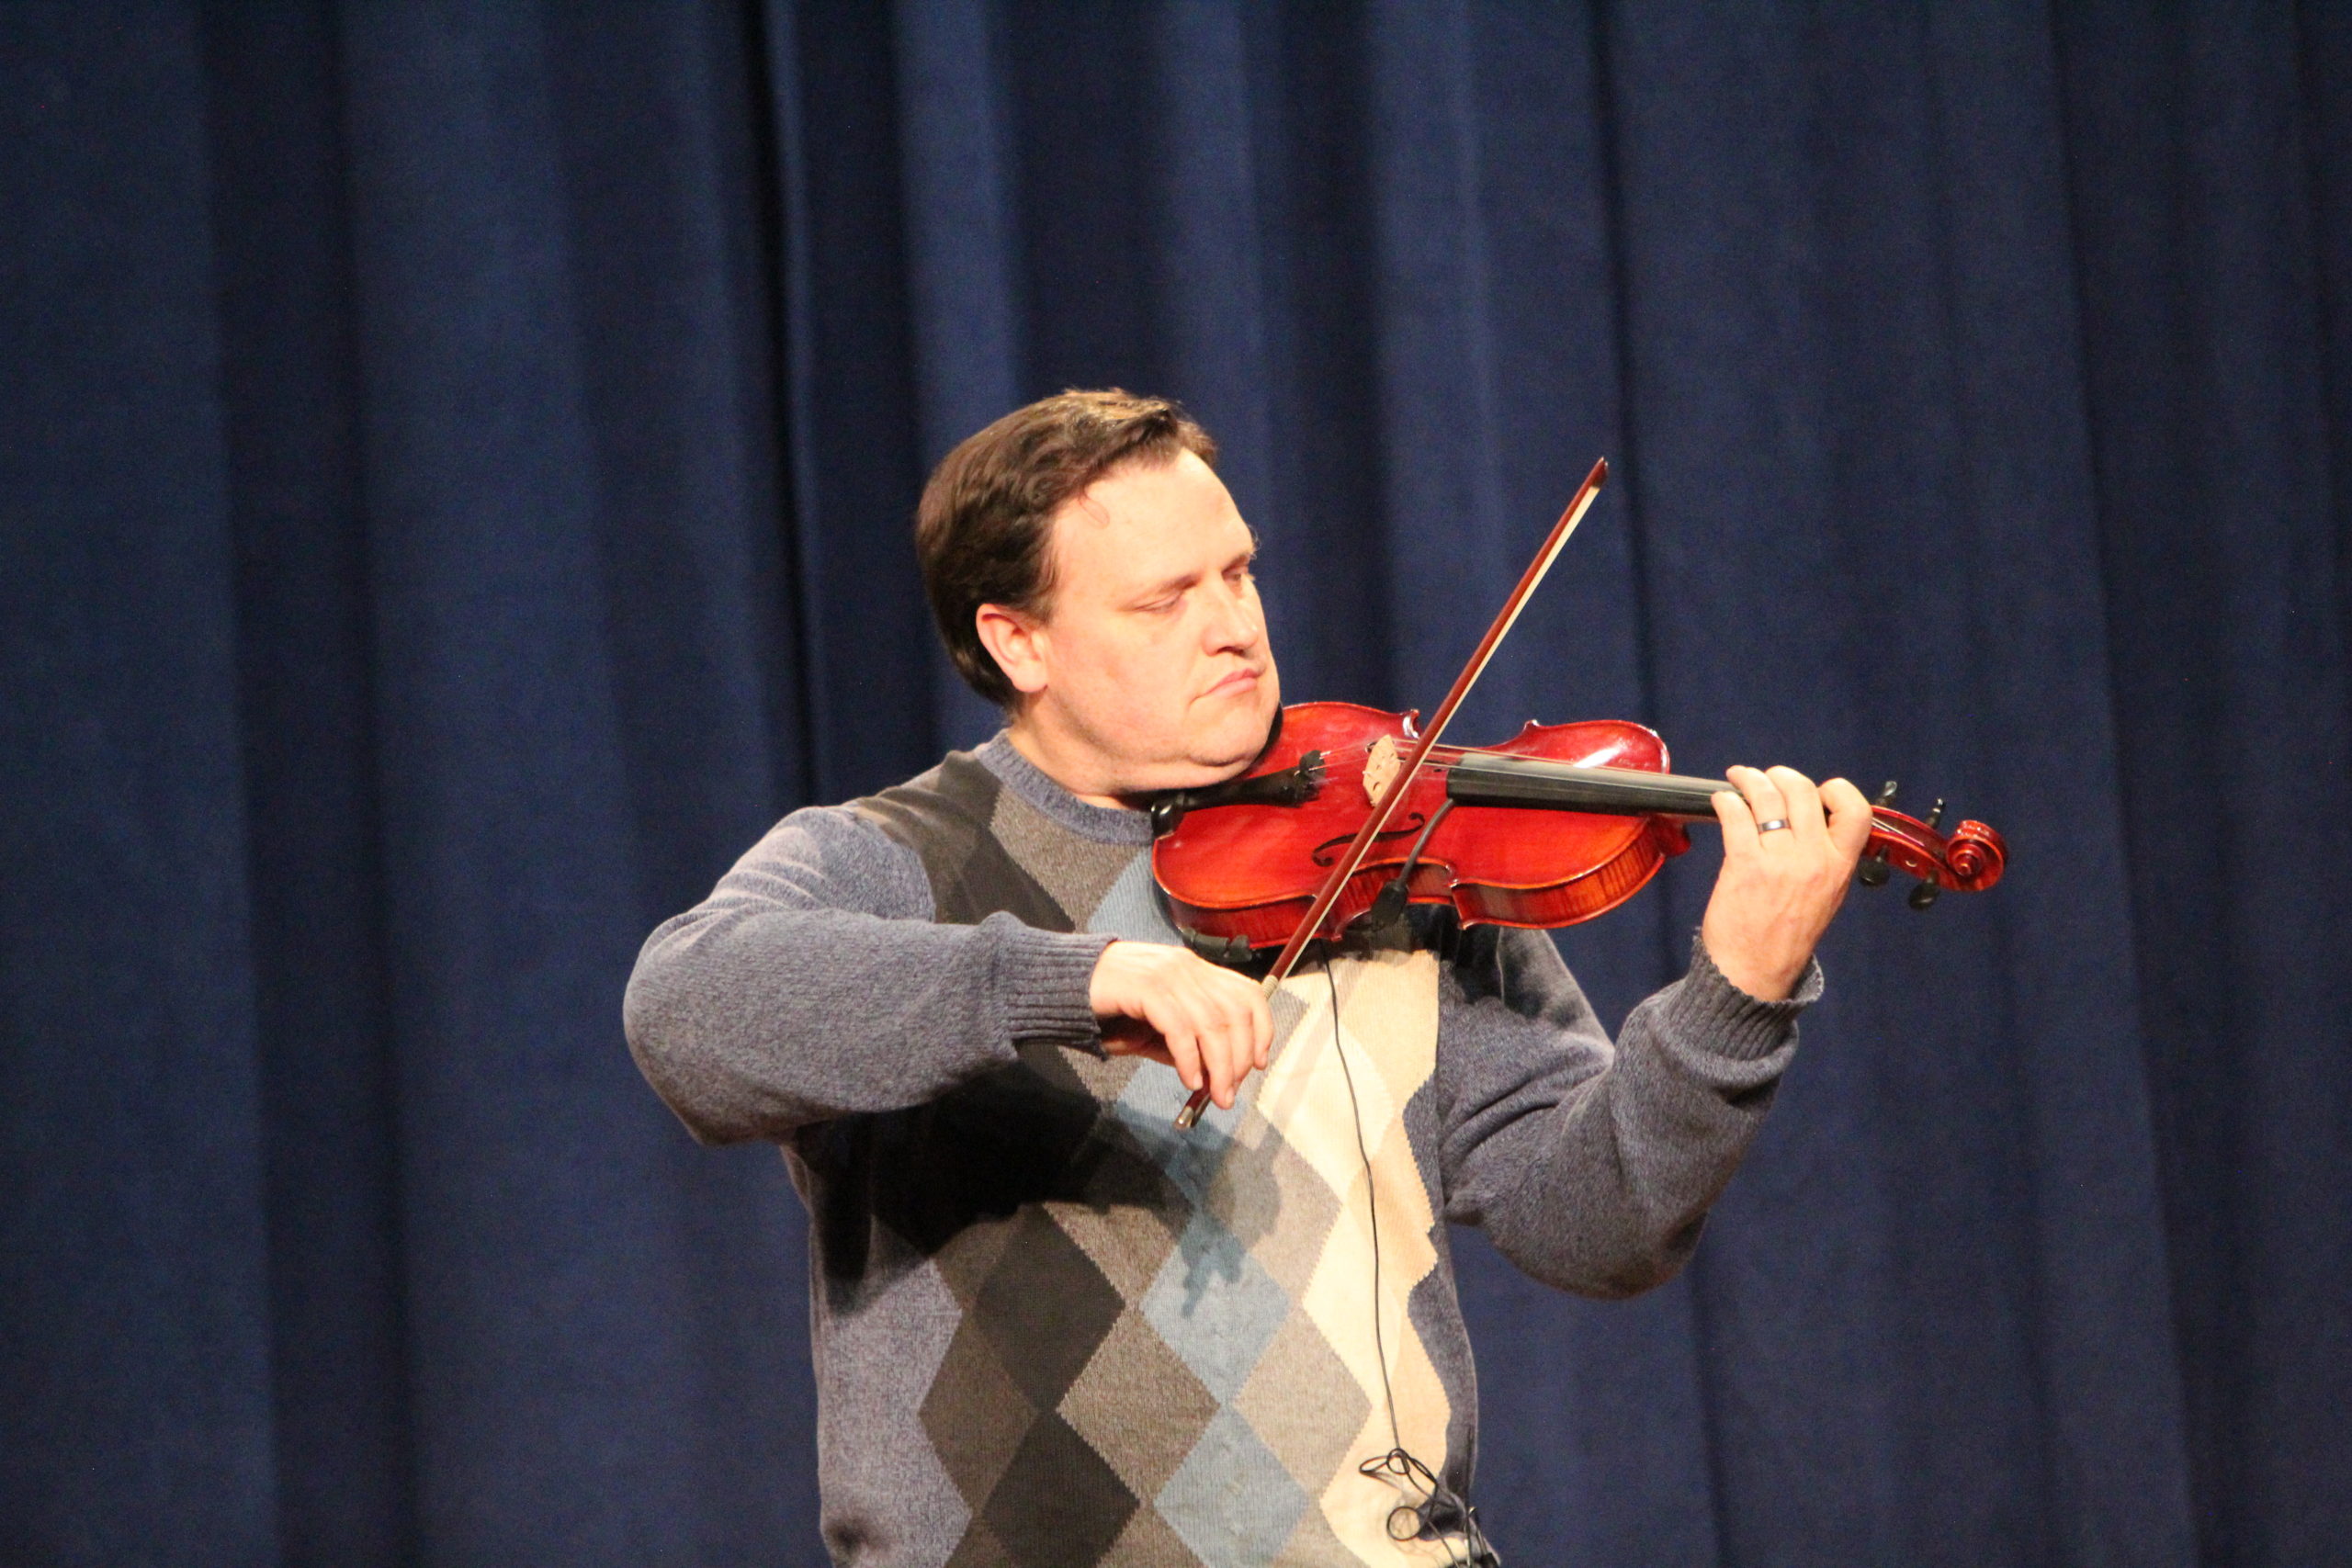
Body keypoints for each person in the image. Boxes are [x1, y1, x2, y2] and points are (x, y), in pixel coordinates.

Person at [624, 390, 1871, 1567]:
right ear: (1019, 641)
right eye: (1164, 600)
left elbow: (1599, 1226)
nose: (1233, 625)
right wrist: (1072, 979)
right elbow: (685, 1007)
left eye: (1237, 573)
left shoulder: (1394, 853)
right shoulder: (893, 861)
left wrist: (1737, 991)